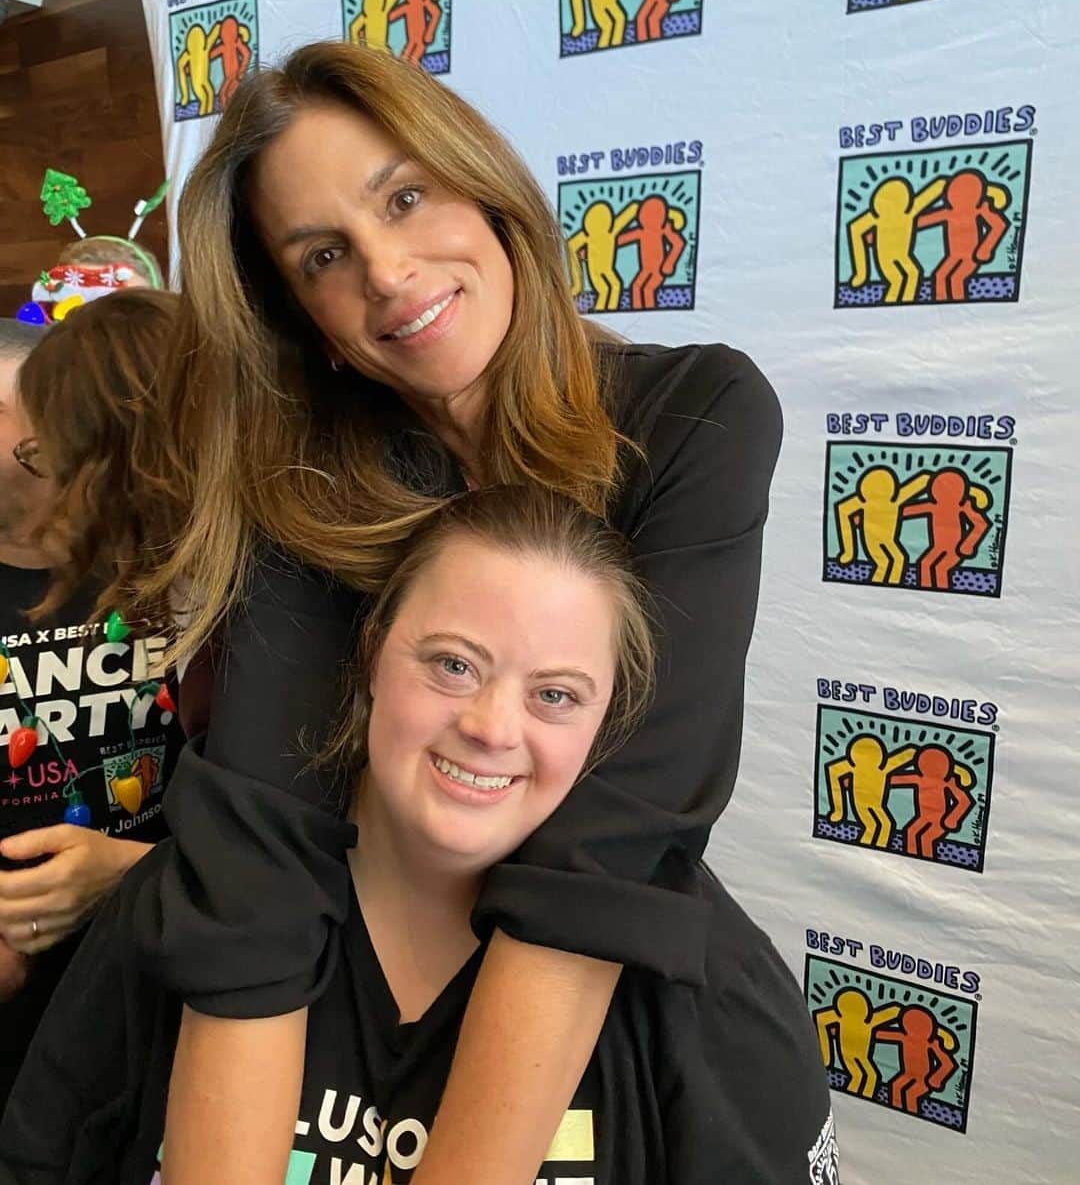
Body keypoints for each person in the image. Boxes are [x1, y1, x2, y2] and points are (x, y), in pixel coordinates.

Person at [134, 40, 783, 1184]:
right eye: (325, 255)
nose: (387, 273)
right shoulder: (306, 493)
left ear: (485, 185)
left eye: (406, 196)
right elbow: (259, 863)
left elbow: (612, 848)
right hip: (352, 996)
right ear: (308, 325)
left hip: (594, 1017)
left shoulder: (698, 414)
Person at [2, 487, 835, 1183]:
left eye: (556, 696)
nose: (491, 727)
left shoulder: (705, 979)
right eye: (453, 664)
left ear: (607, 724)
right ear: (370, 657)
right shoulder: (196, 900)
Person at [0, 297, 184, 1105]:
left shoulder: (219, 586)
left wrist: (135, 875)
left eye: (51, 449)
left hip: (166, 1011)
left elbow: (302, 845)